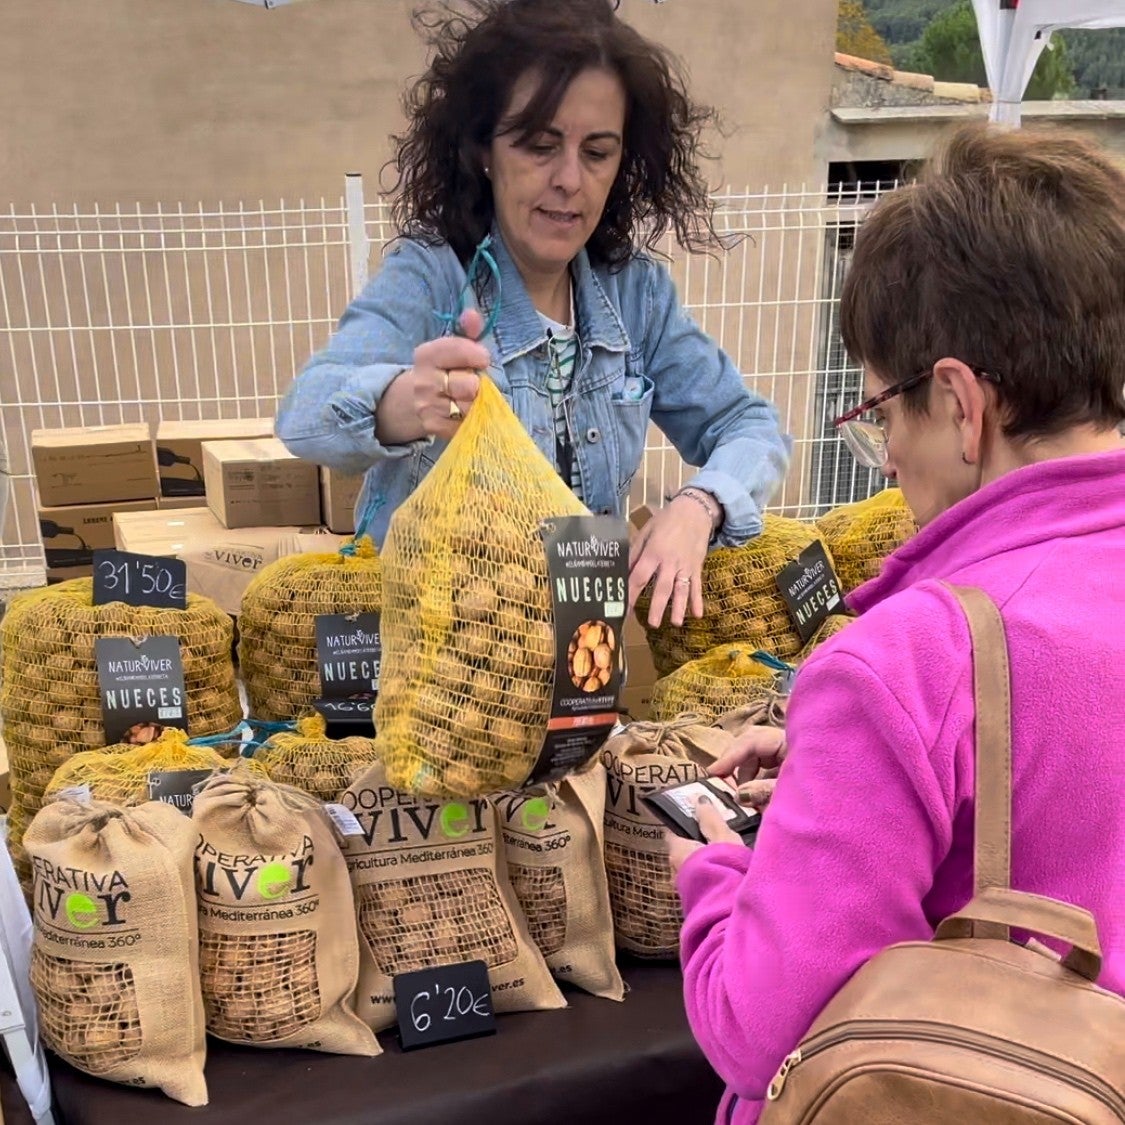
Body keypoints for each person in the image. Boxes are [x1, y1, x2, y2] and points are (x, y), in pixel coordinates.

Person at [669, 122, 1125, 1124]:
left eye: (882, 410)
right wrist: (845, 766)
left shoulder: (911, 659)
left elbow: (763, 1029)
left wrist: (712, 872)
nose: (884, 455)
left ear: (960, 404)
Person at [274, 0, 790, 627]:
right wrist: (404, 404)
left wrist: (700, 505)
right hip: (440, 664)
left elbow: (750, 426)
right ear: (483, 150)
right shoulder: (432, 278)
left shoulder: (637, 295)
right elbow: (305, 415)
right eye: (540, 146)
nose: (569, 179)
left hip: (586, 660)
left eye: (597, 153)